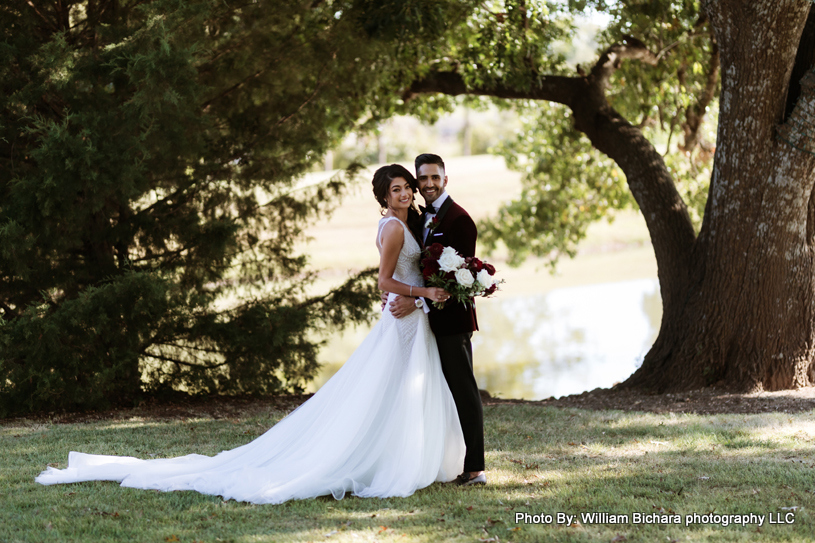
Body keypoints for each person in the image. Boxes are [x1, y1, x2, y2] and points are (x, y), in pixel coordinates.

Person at [35, 164, 465, 504]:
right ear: (383, 198)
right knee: (387, 391)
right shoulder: (392, 228)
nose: (406, 192)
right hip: (402, 320)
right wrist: (423, 291)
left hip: (414, 320)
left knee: (402, 392)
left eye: (408, 186)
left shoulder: (414, 223)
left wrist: (427, 292)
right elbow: (383, 283)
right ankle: (383, 463)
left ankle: (400, 457)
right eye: (397, 189)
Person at [388, 154, 486, 486]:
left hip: (452, 322)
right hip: (425, 324)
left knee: (463, 391)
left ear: (446, 179)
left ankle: (475, 468)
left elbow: (459, 280)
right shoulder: (420, 218)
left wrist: (416, 301)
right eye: (423, 179)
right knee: (432, 392)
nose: (429, 184)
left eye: (435, 177)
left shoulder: (459, 220)